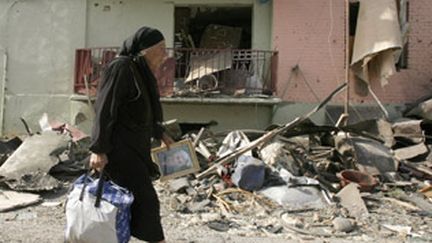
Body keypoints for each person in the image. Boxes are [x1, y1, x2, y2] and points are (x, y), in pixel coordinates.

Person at [89, 26, 173, 243]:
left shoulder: (140, 71)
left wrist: (160, 133)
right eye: (161, 49)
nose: (165, 54)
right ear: (144, 50)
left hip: (135, 152)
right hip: (120, 152)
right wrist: (99, 149)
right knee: (146, 202)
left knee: (124, 206)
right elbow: (105, 108)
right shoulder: (121, 67)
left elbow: (141, 111)